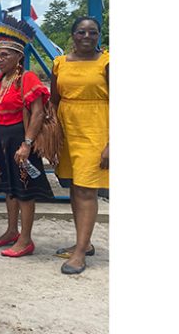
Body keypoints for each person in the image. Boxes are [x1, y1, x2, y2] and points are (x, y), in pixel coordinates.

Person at [0, 16, 54, 257]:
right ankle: (11, 231)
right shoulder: (0, 80)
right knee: (10, 188)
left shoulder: (28, 78)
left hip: (20, 140)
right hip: (2, 140)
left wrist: (27, 144)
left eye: (4, 55)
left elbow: (37, 113)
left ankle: (25, 240)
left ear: (18, 56)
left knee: (24, 189)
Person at [51, 17, 109, 275]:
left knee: (87, 190)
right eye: (81, 31)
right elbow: (54, 100)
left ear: (99, 35)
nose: (87, 36)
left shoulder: (107, 63)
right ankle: (83, 243)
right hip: (67, 130)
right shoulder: (60, 63)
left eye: (93, 32)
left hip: (96, 130)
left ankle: (79, 254)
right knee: (75, 188)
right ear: (73, 35)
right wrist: (51, 133)